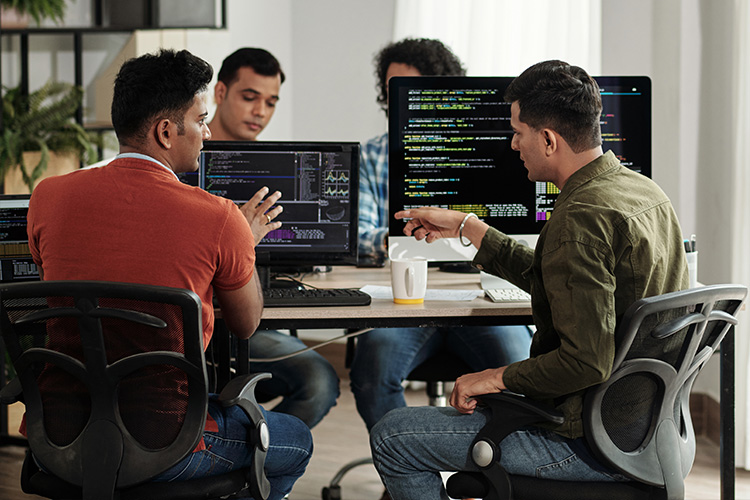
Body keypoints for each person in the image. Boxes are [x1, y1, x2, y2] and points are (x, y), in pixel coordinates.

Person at [368, 60, 689, 499]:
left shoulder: (580, 218)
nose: (513, 143)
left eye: (518, 131)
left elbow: (584, 362)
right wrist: (470, 228)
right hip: (648, 431)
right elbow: (557, 278)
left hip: (586, 443)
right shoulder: (643, 191)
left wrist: (493, 378)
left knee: (393, 437)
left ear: (549, 140)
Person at [26, 48, 312, 500]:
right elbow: (247, 323)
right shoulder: (219, 216)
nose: (206, 133)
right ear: (165, 131)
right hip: (166, 443)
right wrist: (244, 243)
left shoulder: (47, 195)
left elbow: (64, 286)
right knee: (294, 440)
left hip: (57, 439)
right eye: (201, 121)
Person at [351, 37, 533, 435]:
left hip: (483, 297)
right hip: (405, 301)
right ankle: (408, 471)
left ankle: (485, 471)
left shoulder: (498, 152)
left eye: (413, 91)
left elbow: (517, 236)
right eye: (391, 90)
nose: (400, 100)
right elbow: (360, 236)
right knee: (371, 373)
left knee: (522, 370)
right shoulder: (375, 155)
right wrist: (404, 239)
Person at [208, 47, 340, 429]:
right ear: (220, 92)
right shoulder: (186, 161)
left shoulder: (275, 168)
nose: (260, 112)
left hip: (254, 317)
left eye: (271, 102)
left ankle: (256, 457)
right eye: (249, 97)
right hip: (193, 322)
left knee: (320, 381)